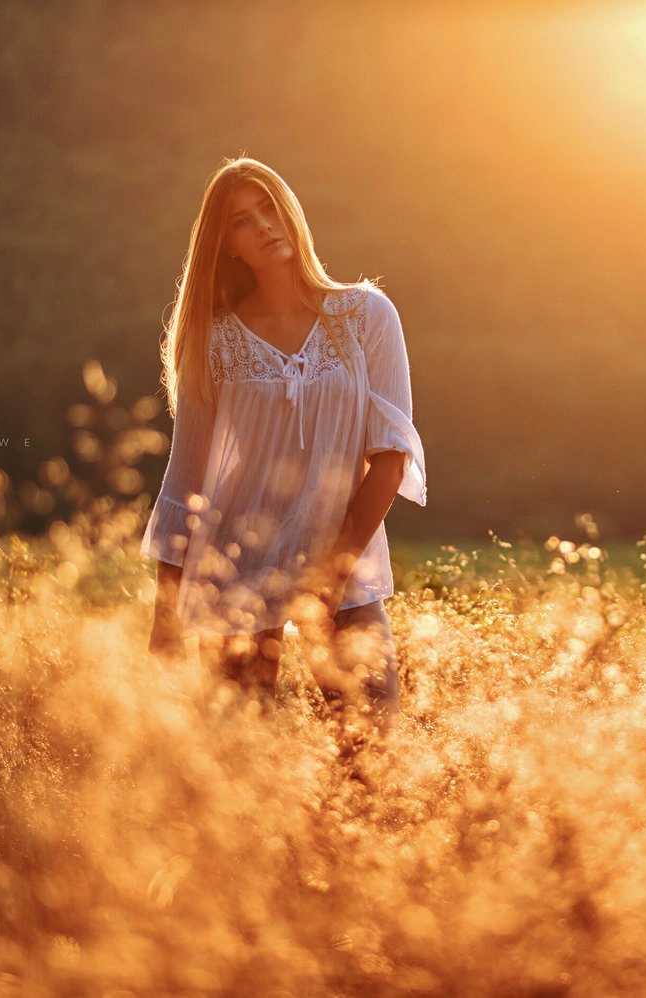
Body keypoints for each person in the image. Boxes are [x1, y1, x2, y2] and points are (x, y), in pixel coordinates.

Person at [142, 156, 426, 756]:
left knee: (371, 759)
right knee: (237, 775)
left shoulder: (364, 317)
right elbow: (187, 479)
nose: (264, 225)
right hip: (234, 570)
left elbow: (392, 455)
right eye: (243, 221)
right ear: (228, 247)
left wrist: (333, 571)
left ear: (291, 211)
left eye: (270, 207)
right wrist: (166, 618)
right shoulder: (214, 339)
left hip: (340, 562)